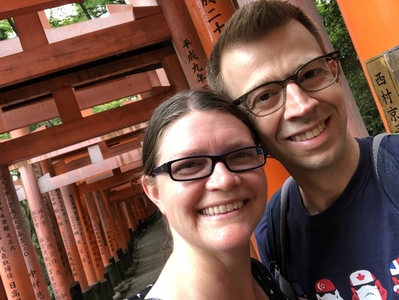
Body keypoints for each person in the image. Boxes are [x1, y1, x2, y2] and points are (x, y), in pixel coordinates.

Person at [206, 1, 399, 299]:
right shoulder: (275, 232)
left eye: (310, 74)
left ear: (333, 69)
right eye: (266, 95)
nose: (302, 106)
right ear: (244, 127)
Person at [130, 89, 288, 299]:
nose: (224, 180)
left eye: (240, 154)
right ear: (155, 192)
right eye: (190, 165)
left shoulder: (261, 276)